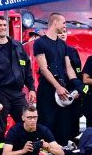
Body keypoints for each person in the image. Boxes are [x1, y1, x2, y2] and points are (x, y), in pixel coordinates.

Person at [0, 16, 35, 155]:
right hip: (0, 94)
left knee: (27, 122)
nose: (3, 27)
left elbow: (27, 69)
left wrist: (32, 88)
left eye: (5, 25)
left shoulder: (18, 46)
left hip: (18, 93)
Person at [32, 13, 77, 144]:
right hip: (47, 90)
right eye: (63, 22)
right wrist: (57, 87)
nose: (65, 25)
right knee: (47, 123)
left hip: (63, 90)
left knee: (63, 126)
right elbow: (44, 68)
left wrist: (76, 85)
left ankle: (62, 154)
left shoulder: (63, 45)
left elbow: (68, 68)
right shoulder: (40, 43)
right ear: (55, 22)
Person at [0, 106, 65, 155]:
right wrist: (23, 150)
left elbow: (61, 153)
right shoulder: (14, 130)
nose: (33, 120)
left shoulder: (43, 130)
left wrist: (49, 149)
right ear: (23, 118)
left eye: (35, 117)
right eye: (29, 118)